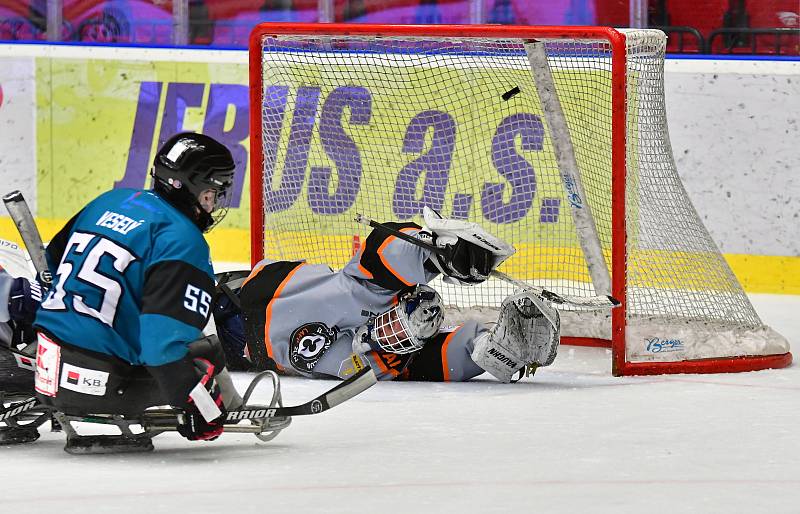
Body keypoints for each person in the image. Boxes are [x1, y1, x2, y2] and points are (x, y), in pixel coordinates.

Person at [31, 132, 238, 444]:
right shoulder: (183, 240)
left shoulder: (110, 200)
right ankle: (224, 404)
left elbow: (50, 263)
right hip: (105, 390)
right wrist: (202, 409)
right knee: (204, 349)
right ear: (195, 188)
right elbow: (160, 349)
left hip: (46, 371)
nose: (213, 202)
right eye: (212, 193)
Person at [214, 207, 561, 384]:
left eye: (401, 337)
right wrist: (434, 253)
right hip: (236, 303)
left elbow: (436, 360)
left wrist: (489, 350)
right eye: (398, 323)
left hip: (244, 353)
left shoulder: (389, 358)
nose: (394, 334)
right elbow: (380, 251)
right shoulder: (364, 292)